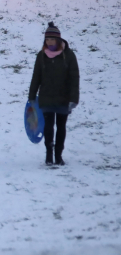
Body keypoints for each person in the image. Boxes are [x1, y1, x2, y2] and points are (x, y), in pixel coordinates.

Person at [28, 22, 80, 165]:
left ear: (58, 39)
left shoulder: (68, 55)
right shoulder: (41, 55)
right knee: (48, 127)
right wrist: (31, 96)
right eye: (47, 39)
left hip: (64, 98)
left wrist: (73, 98)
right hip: (46, 97)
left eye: (52, 39)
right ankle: (49, 155)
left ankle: (58, 155)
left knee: (61, 127)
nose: (49, 42)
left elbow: (74, 78)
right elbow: (36, 76)